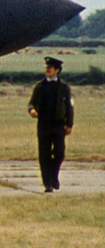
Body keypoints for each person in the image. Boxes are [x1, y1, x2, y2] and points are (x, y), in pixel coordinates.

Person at [28, 56, 74, 192]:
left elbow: (69, 106)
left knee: (59, 153)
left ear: (57, 70)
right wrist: (31, 109)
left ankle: (54, 175)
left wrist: (69, 124)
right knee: (44, 154)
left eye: (50, 68)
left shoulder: (64, 87)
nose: (47, 70)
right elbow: (31, 102)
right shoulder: (39, 86)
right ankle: (47, 183)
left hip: (58, 124)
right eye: (46, 68)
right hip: (43, 124)